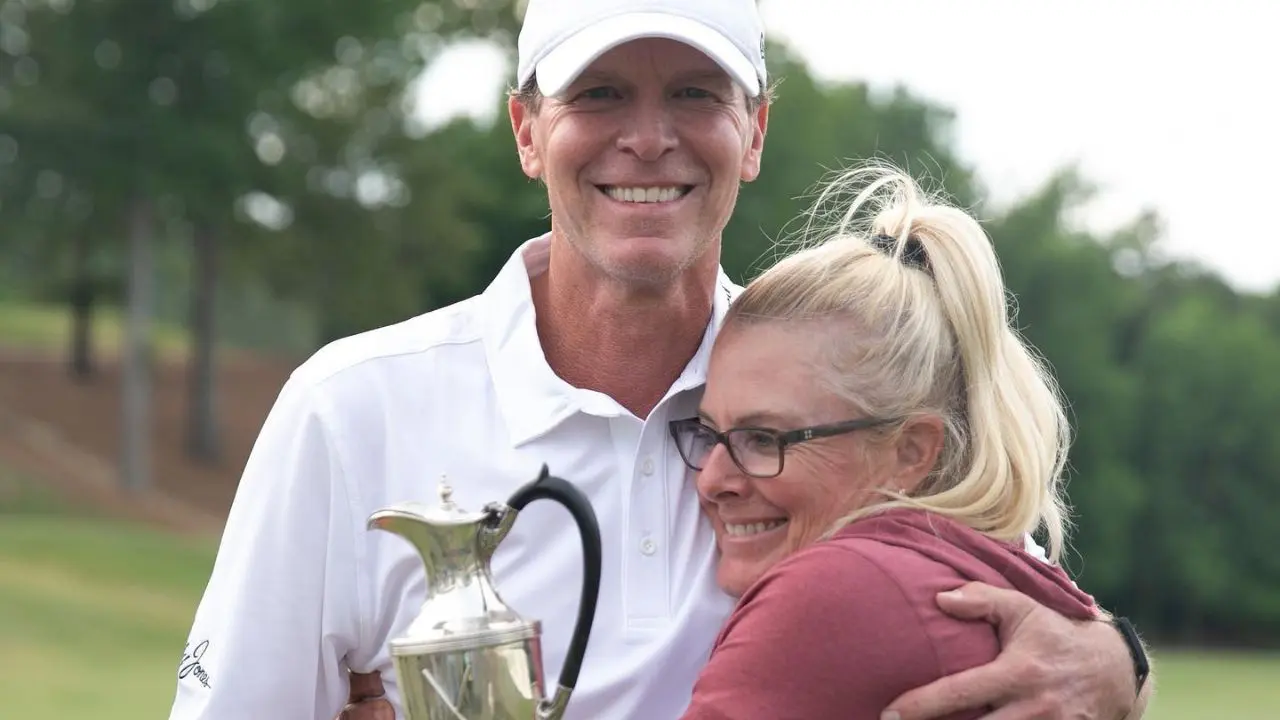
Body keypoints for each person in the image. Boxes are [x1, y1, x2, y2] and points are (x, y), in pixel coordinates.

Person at [168, 1, 1153, 719]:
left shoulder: (833, 390)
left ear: (754, 131)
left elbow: (1015, 613)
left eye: (693, 93)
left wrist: (1118, 661)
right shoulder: (347, 409)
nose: (647, 138)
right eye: (599, 94)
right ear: (527, 131)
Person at [659, 162, 1150, 718]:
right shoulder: (990, 573)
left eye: (763, 439)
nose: (714, 480)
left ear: (910, 451)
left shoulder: (828, 593)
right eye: (708, 434)